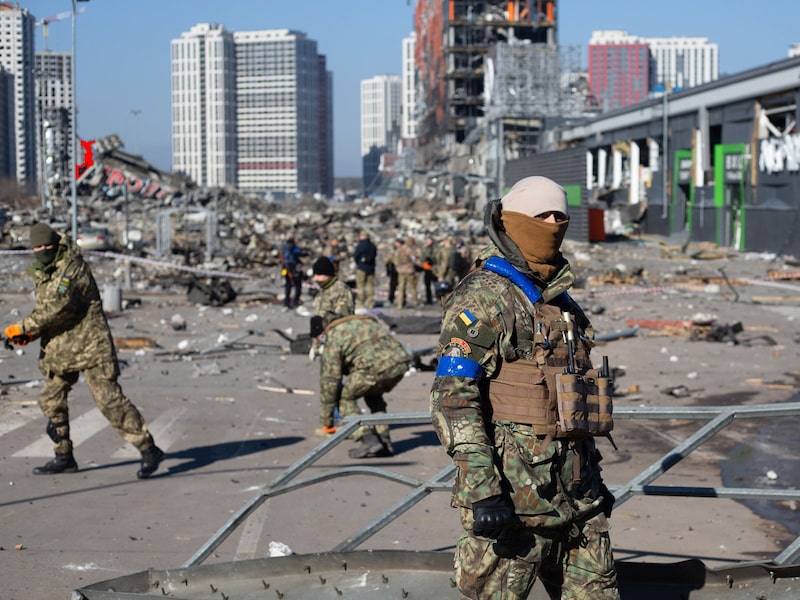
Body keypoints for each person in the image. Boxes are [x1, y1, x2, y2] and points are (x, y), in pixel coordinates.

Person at [429, 176, 619, 599]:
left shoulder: (562, 303)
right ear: (511, 220)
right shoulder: (485, 297)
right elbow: (453, 399)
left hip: (579, 507)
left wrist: (594, 482)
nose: (553, 223)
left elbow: (572, 400)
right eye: (541, 215)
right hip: (514, 508)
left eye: (560, 215)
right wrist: (482, 491)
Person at [4, 223, 165, 479]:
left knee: (109, 401)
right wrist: (28, 334)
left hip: (91, 346)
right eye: (37, 247)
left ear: (55, 244)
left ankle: (149, 449)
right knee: (50, 400)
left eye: (47, 246)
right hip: (62, 348)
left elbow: (58, 306)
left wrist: (22, 327)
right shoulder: (44, 270)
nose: (42, 250)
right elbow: (48, 313)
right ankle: (64, 456)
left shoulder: (71, 268)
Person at [311, 314, 410, 458]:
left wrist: (327, 420)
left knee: (346, 398)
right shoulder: (365, 322)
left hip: (371, 368)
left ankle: (367, 438)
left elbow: (330, 381)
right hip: (399, 363)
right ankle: (384, 440)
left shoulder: (333, 335)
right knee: (374, 395)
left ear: (322, 332)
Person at [309, 255, 354, 364]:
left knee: (332, 379)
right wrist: (315, 346)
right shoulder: (323, 291)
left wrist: (329, 343)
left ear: (327, 274)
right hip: (323, 344)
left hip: (335, 345)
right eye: (315, 275)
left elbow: (344, 317)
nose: (315, 278)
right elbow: (317, 320)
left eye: (319, 275)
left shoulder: (340, 290)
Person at [353, 230, 378, 309]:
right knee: (370, 286)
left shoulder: (360, 245)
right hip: (371, 268)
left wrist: (359, 264)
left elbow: (356, 256)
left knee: (360, 286)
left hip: (361, 268)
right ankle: (371, 303)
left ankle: (361, 303)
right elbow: (374, 255)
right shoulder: (372, 246)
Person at [280, 234, 306, 309]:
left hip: (285, 267)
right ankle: (295, 302)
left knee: (288, 285)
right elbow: (298, 252)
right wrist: (305, 253)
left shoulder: (284, 247)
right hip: (293, 267)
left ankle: (286, 302)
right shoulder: (293, 247)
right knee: (298, 285)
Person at [394, 236, 419, 309]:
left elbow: (395, 260)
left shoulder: (398, 250)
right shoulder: (408, 249)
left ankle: (399, 304)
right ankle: (415, 301)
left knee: (401, 288)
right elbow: (413, 258)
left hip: (401, 270)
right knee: (412, 287)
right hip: (409, 270)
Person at [420, 236, 438, 305]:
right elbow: (422, 258)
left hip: (434, 268)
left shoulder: (435, 249)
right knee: (427, 285)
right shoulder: (425, 249)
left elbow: (436, 259)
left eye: (429, 240)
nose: (428, 242)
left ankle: (439, 298)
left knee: (436, 285)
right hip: (427, 269)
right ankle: (429, 299)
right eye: (427, 240)